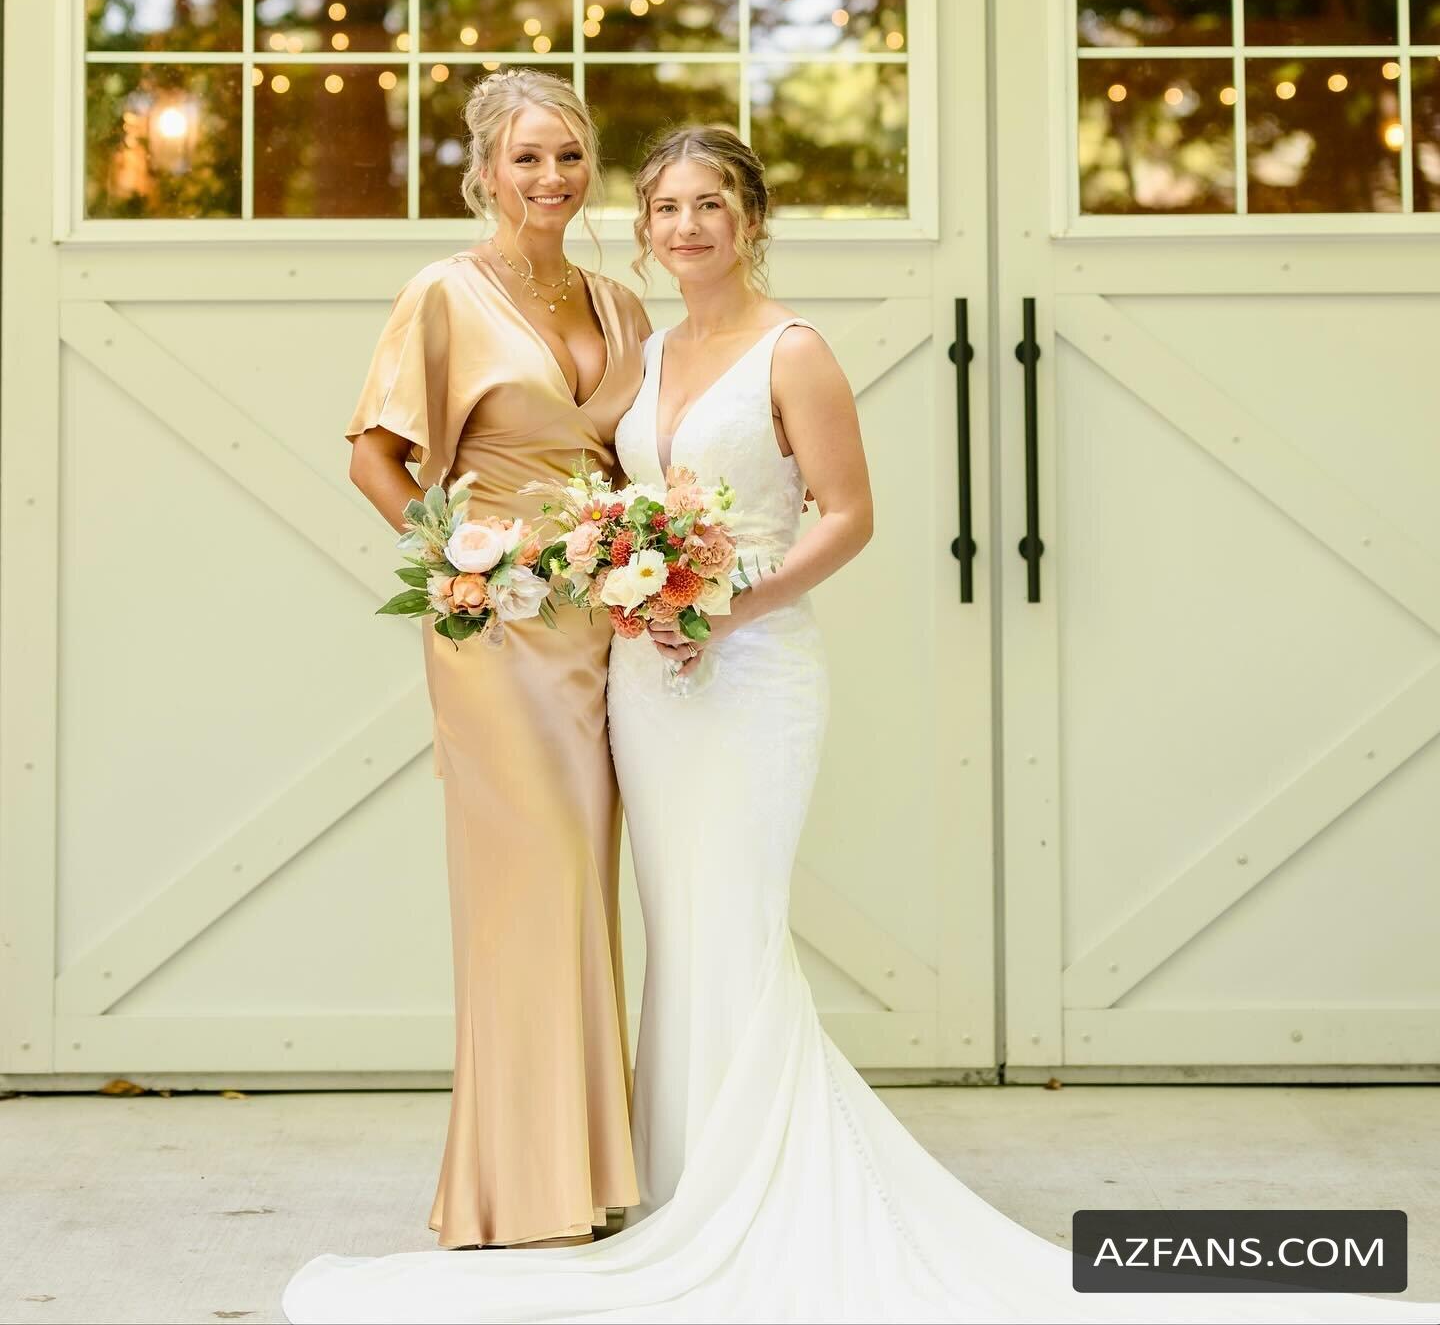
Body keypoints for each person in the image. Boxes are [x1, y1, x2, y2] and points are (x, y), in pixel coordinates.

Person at [282, 128, 1438, 1323]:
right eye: (667, 207)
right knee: (684, 925)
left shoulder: (795, 349)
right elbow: (578, 478)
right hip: (645, 677)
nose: (687, 226)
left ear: (751, 218)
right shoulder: (647, 347)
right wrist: (538, 567)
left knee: (738, 920)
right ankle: (683, 1185)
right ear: (645, 227)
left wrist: (727, 604)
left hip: (750, 667)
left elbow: (849, 513)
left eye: (710, 204)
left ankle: (765, 1196)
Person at [332, 68, 649, 1252]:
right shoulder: (445, 294)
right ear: (484, 169)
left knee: (584, 886)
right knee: (531, 881)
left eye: (568, 155)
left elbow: (634, 464)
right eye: (527, 157)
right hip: (498, 626)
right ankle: (515, 1188)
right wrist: (458, 563)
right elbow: (374, 456)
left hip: (603, 626)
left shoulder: (621, 304)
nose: (551, 177)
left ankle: (585, 1175)